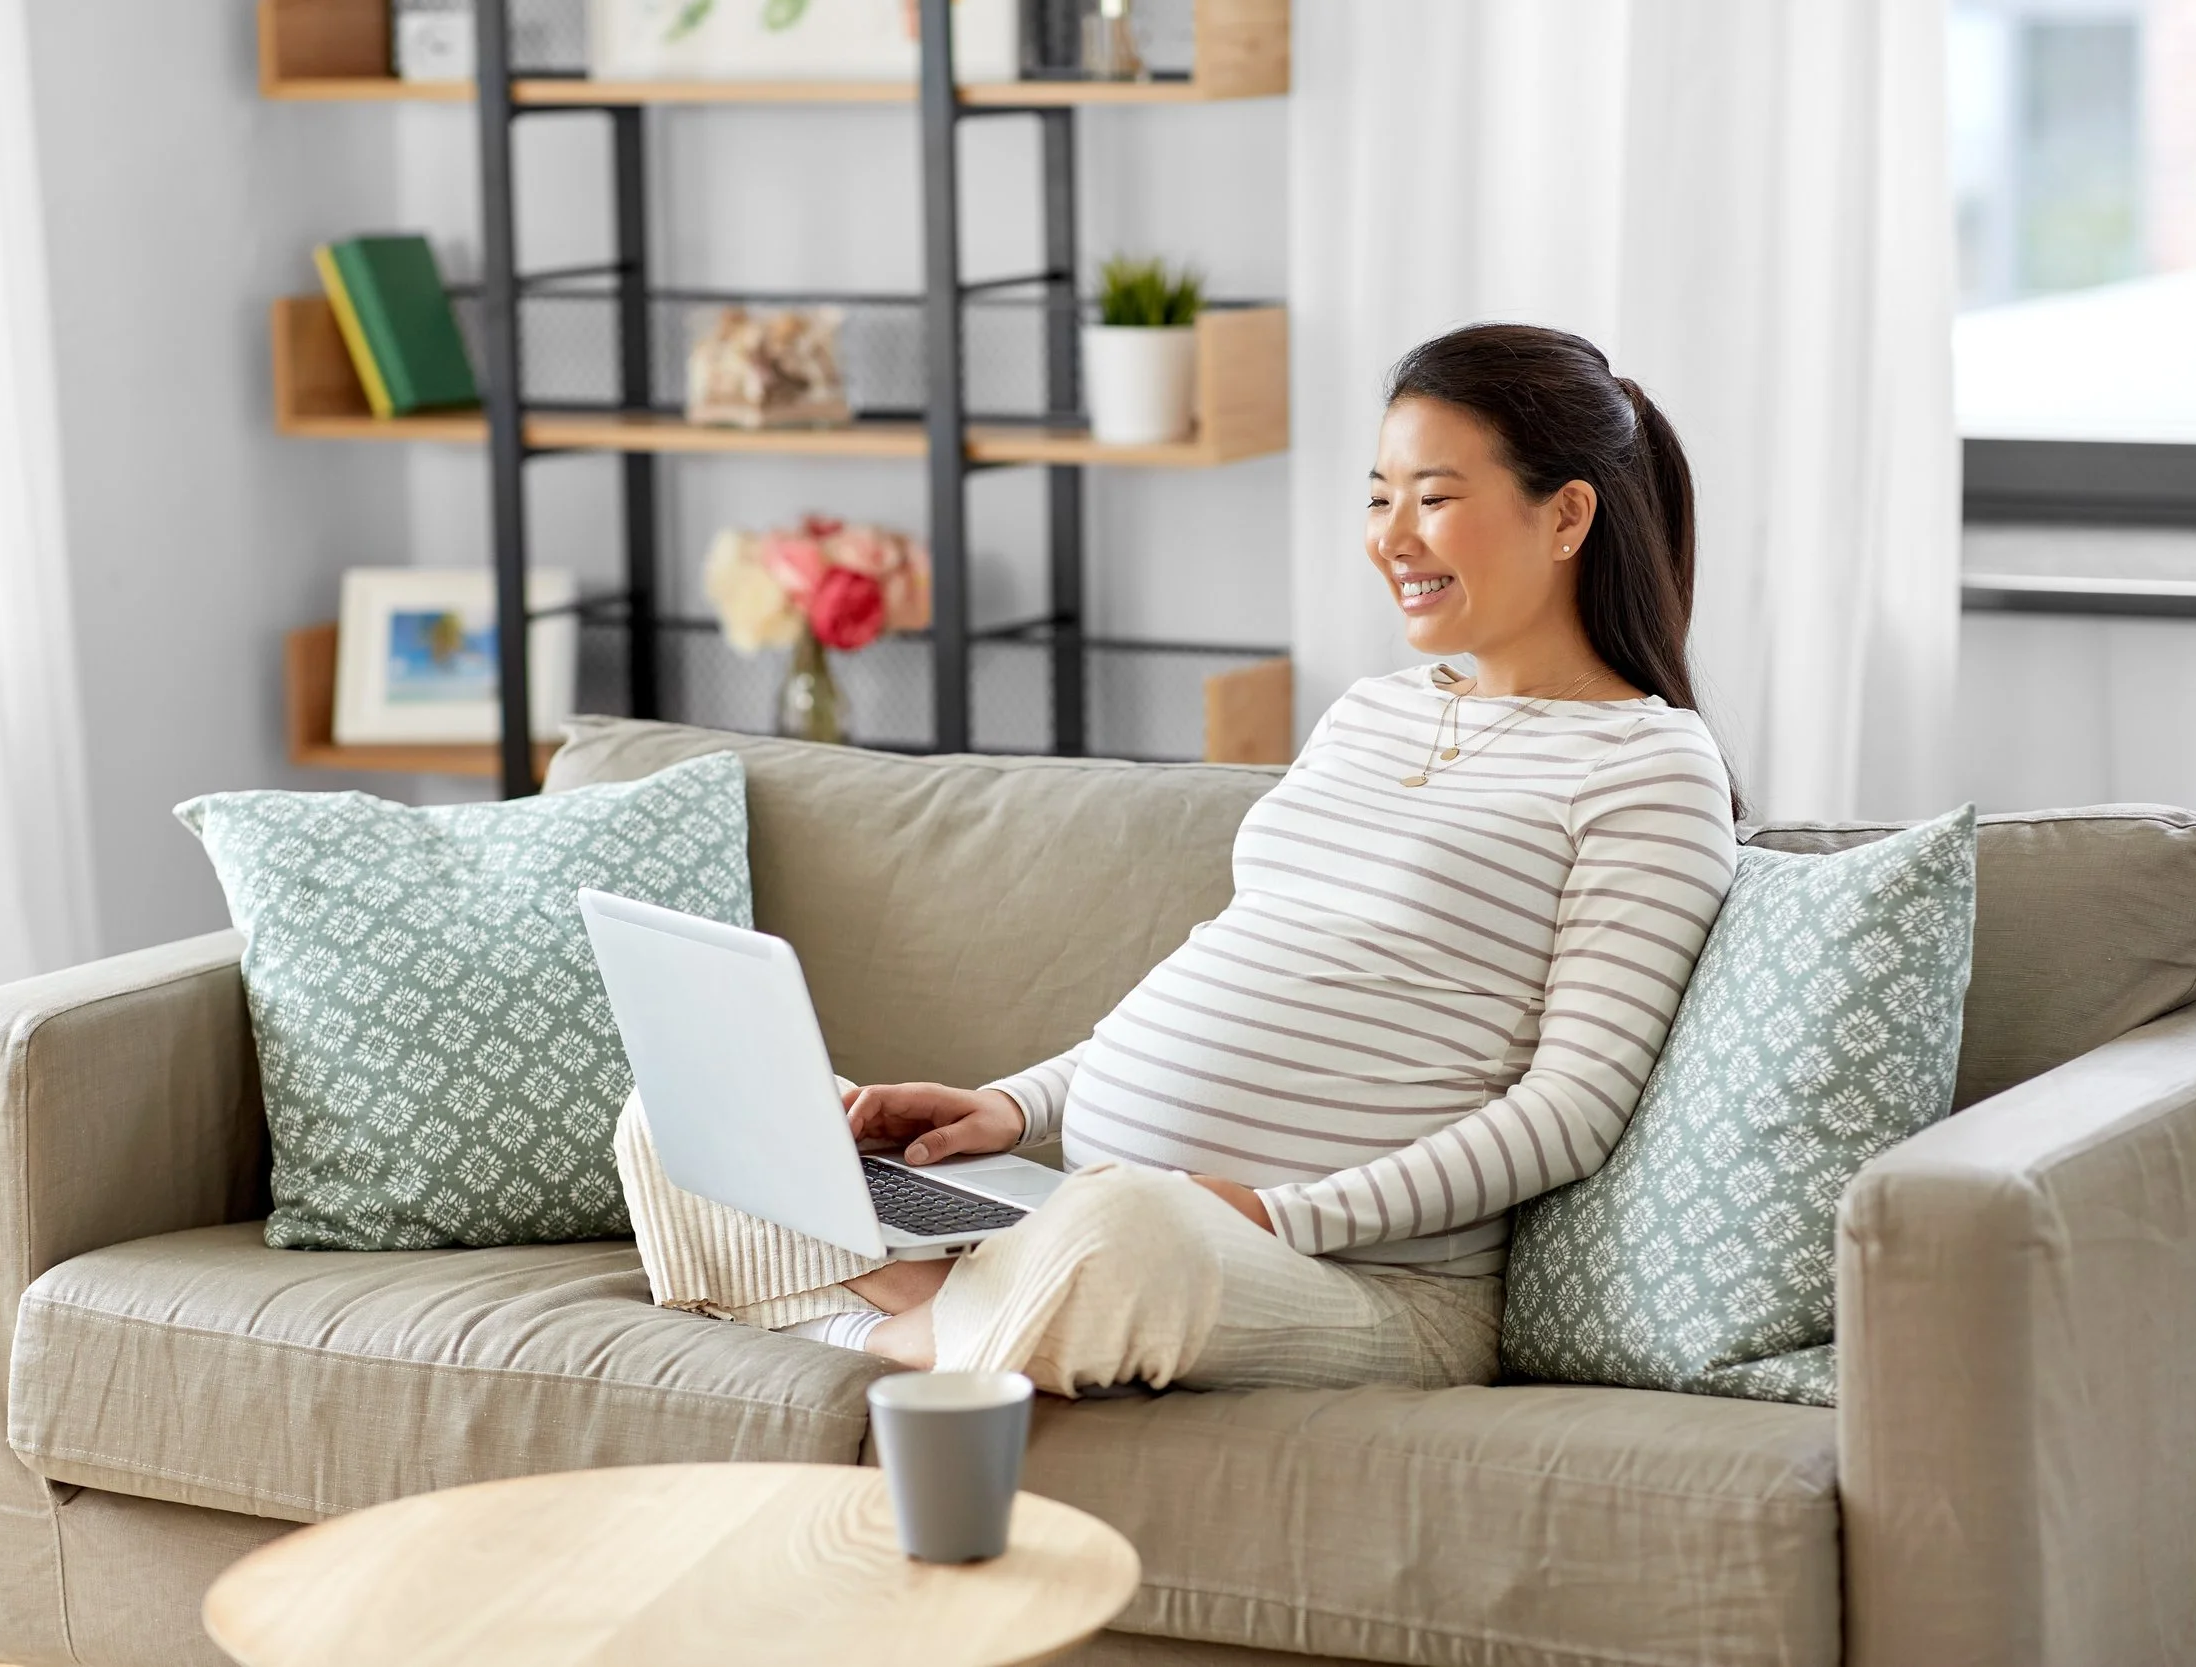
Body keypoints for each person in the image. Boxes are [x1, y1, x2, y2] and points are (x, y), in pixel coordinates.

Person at [713, 323, 1734, 1393]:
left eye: (1432, 497)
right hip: (1118, 1206)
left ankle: (886, 1325)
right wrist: (1015, 1108)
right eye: (1377, 496)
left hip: (1360, 1279)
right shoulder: (1370, 713)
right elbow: (1233, 961)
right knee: (713, 1111)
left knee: (1121, 1229)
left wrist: (1274, 1213)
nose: (1391, 538)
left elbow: (1570, 1107)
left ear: (1567, 513)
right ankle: (961, 1317)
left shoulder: (1646, 766)